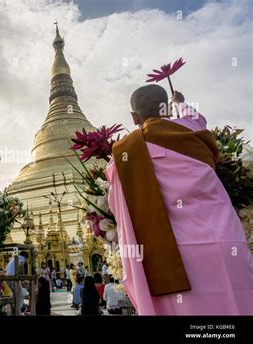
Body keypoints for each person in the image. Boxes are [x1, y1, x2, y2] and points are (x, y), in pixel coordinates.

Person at [106, 85, 253, 315]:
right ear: (166, 109)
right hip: (225, 243)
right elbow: (197, 118)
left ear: (135, 117)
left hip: (172, 259)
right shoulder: (190, 130)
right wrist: (179, 102)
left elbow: (118, 208)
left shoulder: (124, 157)